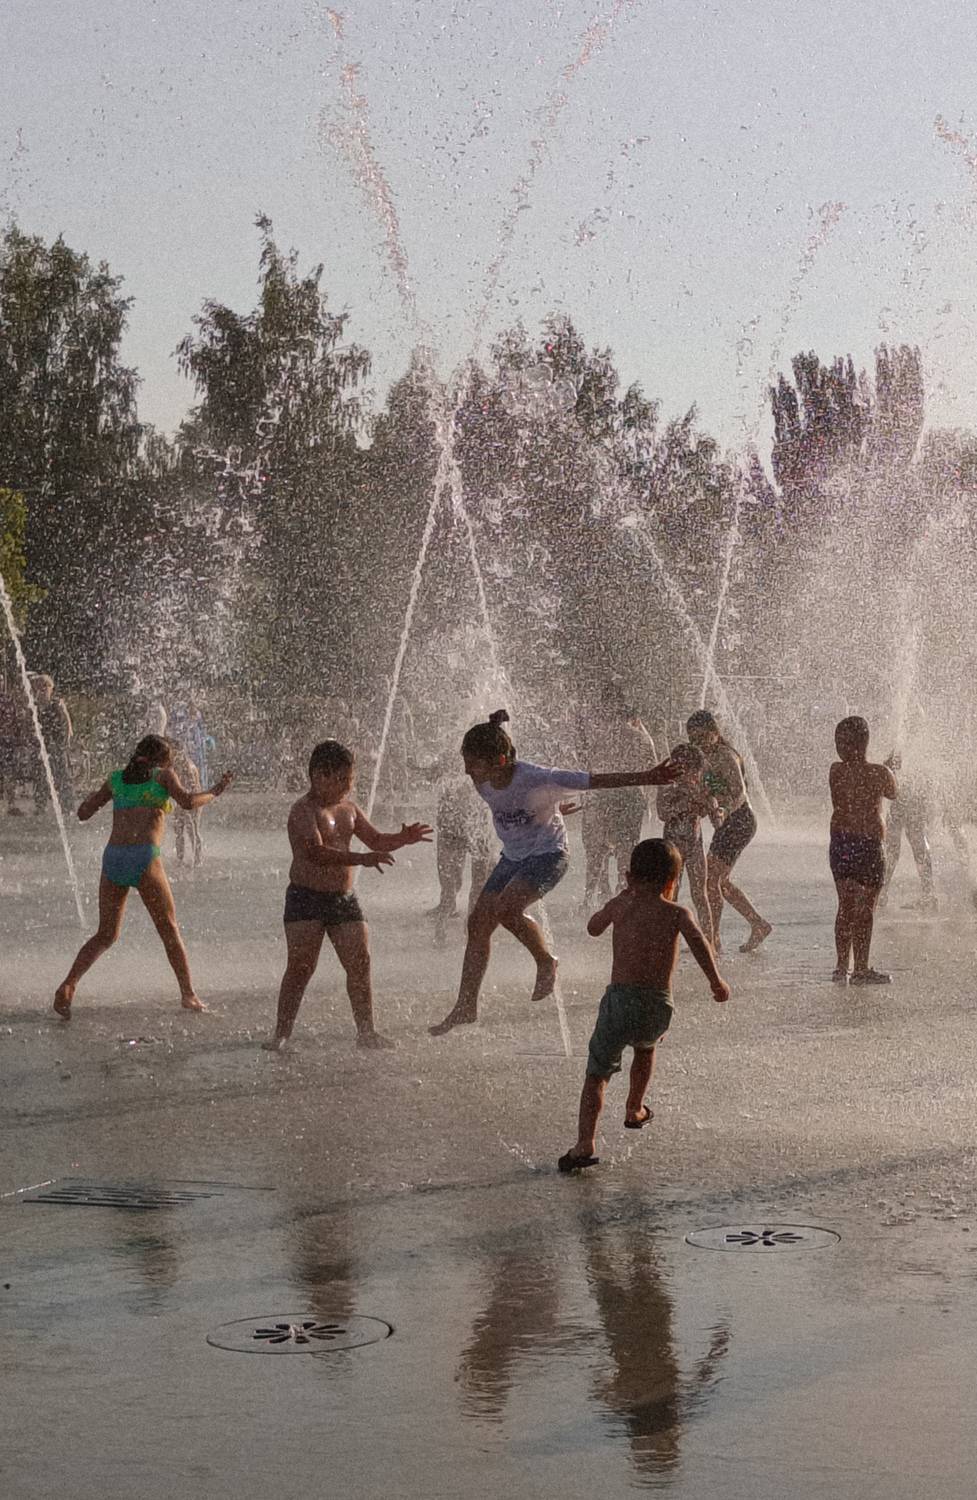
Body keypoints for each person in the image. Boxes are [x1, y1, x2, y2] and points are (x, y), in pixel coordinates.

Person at [429, 709, 680, 1036]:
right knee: (478, 924)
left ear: (501, 760)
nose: (467, 771)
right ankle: (466, 1006)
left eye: (473, 764)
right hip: (513, 857)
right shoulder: (483, 779)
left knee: (507, 909)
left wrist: (648, 776)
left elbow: (595, 781)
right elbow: (514, 795)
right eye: (466, 762)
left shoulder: (540, 778)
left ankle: (546, 960)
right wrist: (550, 806)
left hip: (549, 855)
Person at [558, 838, 729, 1172]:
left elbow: (593, 928)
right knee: (646, 1048)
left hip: (619, 1001)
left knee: (597, 1074)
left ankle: (585, 1143)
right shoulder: (677, 913)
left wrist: (612, 905)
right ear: (672, 882)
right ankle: (635, 1108)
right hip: (656, 1003)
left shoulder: (621, 906)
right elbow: (699, 943)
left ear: (628, 877)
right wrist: (716, 981)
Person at [263, 739, 432, 1052]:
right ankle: (281, 1035)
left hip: (343, 898)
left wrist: (402, 838)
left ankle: (366, 1032)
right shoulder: (303, 811)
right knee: (301, 968)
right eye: (342, 779)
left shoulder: (349, 809)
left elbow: (376, 840)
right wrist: (361, 859)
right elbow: (315, 853)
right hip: (306, 898)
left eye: (351, 779)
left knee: (360, 961)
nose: (348, 786)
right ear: (319, 775)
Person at [53, 734, 233, 1018]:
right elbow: (188, 802)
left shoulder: (116, 779)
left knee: (106, 934)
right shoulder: (163, 777)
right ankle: (188, 994)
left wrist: (100, 798)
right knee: (169, 930)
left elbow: (83, 812)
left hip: (114, 858)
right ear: (161, 760)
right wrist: (216, 791)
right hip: (143, 859)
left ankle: (68, 984)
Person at [686, 709, 771, 954]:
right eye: (693, 739)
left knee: (711, 880)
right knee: (719, 881)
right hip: (727, 823)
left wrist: (722, 810)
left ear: (715, 732)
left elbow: (739, 793)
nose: (698, 743)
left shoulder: (725, 755)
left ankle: (713, 938)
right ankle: (758, 924)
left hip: (740, 820)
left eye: (702, 736)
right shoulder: (703, 758)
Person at [828, 716, 897, 984]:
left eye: (840, 742)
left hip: (841, 844)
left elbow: (856, 780)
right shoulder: (880, 773)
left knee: (845, 906)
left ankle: (840, 967)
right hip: (869, 846)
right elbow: (893, 792)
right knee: (865, 909)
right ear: (865, 742)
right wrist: (890, 768)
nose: (838, 748)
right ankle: (861, 968)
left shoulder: (835, 770)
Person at [577, 687, 657, 905]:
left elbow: (588, 770)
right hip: (632, 797)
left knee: (598, 850)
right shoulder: (639, 737)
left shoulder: (599, 737)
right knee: (626, 851)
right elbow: (652, 765)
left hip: (604, 796)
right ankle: (624, 895)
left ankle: (595, 898)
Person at [656, 742, 719, 942]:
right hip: (672, 849)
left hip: (694, 845)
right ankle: (668, 942)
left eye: (697, 773)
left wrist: (713, 808)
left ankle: (710, 942)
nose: (695, 777)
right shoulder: (667, 785)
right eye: (692, 772)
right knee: (670, 894)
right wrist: (684, 802)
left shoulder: (699, 786)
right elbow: (662, 813)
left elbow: (713, 812)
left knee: (700, 894)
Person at [430, 758, 496, 947]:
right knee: (473, 882)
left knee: (455, 883)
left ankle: (443, 930)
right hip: (472, 826)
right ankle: (467, 928)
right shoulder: (487, 764)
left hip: (459, 826)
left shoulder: (451, 765)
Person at [879, 750, 936, 911]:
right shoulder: (913, 746)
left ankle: (883, 893)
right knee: (911, 846)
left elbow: (890, 768)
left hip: (907, 800)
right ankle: (928, 894)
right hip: (909, 800)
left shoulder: (906, 746)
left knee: (895, 848)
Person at [27, 673, 73, 814]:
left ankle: (67, 806)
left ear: (51, 688)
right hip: (42, 747)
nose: (42, 690)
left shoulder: (57, 704)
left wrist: (64, 743)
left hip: (57, 745)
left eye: (45, 686)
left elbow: (67, 725)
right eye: (39, 687)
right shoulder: (34, 707)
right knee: (40, 775)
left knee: (62, 775)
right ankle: (40, 805)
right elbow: (30, 726)